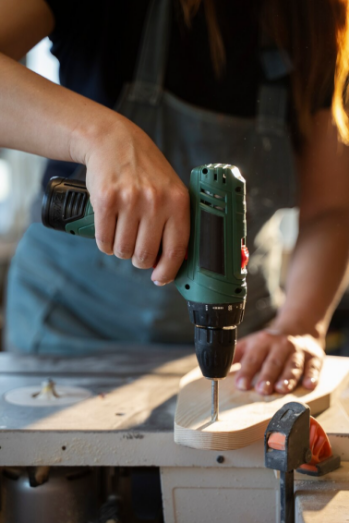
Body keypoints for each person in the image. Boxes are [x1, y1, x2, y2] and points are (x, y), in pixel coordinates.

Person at [1, 0, 349, 396]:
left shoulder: (318, 16)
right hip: (67, 331)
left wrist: (300, 324)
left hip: (248, 347)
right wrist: (101, 136)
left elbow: (330, 211)